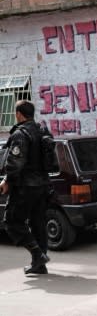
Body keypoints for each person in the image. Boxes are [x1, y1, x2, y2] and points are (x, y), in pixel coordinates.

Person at [0, 100, 51, 274]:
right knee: (38, 223)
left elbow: (15, 163)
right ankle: (40, 264)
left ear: (19, 114)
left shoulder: (20, 134)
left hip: (25, 187)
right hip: (43, 185)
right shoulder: (41, 130)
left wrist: (7, 181)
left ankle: (38, 255)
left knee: (12, 222)